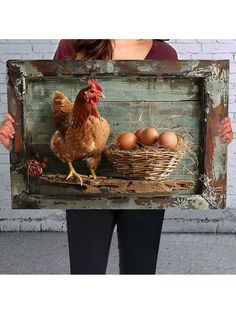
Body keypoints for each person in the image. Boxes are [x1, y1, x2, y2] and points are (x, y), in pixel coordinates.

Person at [0, 40, 234, 274]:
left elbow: (181, 118)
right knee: (86, 273)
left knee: (139, 272)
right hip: (86, 189)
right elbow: (39, 98)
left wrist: (215, 130)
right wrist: (18, 131)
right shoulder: (74, 45)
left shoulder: (164, 53)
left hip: (143, 183)